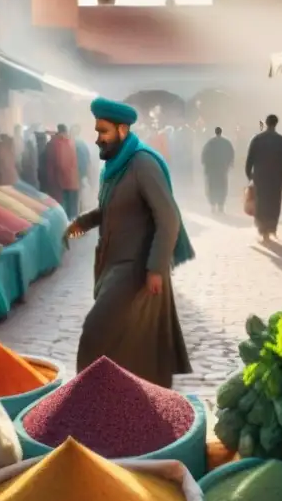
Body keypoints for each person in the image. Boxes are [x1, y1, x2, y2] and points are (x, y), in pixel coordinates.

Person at [65, 97, 195, 388]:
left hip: (136, 267)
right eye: (97, 131)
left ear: (122, 130)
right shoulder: (114, 167)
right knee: (128, 344)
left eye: (103, 132)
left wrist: (156, 268)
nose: (98, 139)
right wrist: (83, 223)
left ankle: (84, 402)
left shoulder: (142, 163)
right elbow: (112, 208)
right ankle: (121, 403)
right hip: (113, 264)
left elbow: (169, 217)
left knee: (94, 332)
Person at [245, 114, 282, 244]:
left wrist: (249, 175)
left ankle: (262, 230)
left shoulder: (257, 139)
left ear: (266, 123)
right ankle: (272, 228)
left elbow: (249, 160)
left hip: (260, 177)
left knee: (261, 202)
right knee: (274, 202)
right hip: (276, 177)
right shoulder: (281, 140)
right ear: (276, 124)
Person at [45, 124, 79, 215]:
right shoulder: (70, 143)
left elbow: (61, 164)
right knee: (72, 211)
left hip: (61, 183)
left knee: (62, 211)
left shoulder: (55, 144)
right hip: (72, 182)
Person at [201, 126, 235, 213]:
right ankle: (221, 205)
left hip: (211, 170)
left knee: (211, 186)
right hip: (222, 169)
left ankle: (213, 205)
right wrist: (229, 164)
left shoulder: (210, 143)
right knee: (222, 186)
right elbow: (231, 154)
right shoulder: (226, 142)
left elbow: (204, 155)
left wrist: (205, 167)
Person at [71, 124, 93, 212]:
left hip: (76, 174)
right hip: (78, 174)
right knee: (77, 195)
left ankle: (76, 212)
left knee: (74, 196)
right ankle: (79, 211)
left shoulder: (75, 143)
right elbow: (88, 160)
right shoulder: (82, 144)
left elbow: (86, 161)